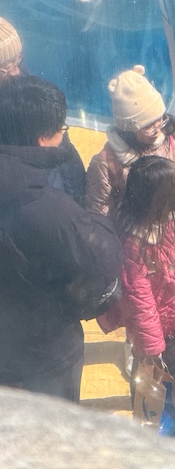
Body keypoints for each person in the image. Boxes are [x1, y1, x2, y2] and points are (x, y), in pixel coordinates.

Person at [0, 76, 123, 403]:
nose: (64, 136)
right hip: (42, 354)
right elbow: (104, 260)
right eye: (62, 130)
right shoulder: (49, 210)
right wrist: (97, 219)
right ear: (42, 139)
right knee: (52, 427)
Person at [97, 156, 175, 388]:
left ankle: (168, 382)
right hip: (152, 320)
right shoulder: (133, 242)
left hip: (167, 310)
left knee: (168, 358)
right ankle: (158, 397)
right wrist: (152, 346)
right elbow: (138, 299)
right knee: (152, 370)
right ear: (156, 201)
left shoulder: (167, 219)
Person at [85, 64, 175, 219]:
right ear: (129, 129)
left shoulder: (165, 141)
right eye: (148, 126)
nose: (157, 129)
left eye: (160, 119)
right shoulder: (105, 164)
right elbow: (98, 214)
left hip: (169, 225)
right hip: (132, 231)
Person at [0, 16, 87, 205]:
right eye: (5, 68)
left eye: (17, 60)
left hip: (51, 181)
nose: (16, 71)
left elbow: (64, 150)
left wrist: (78, 199)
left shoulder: (26, 83)